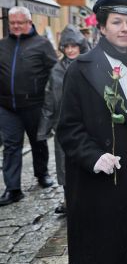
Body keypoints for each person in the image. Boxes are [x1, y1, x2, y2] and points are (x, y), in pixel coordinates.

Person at [56, 0, 127, 264]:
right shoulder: (81, 69)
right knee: (107, 252)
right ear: (102, 27)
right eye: (117, 22)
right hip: (103, 184)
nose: (125, 28)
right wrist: (93, 156)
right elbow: (68, 128)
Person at [0, 6, 57, 206]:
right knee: (11, 146)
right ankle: (13, 189)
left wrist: (52, 99)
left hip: (34, 104)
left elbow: (54, 71)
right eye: (12, 23)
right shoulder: (2, 45)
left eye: (19, 23)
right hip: (7, 105)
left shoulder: (42, 44)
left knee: (38, 141)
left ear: (29, 23)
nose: (15, 26)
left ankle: (42, 174)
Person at [37, 25, 87, 214]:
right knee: (64, 164)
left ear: (80, 46)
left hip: (86, 123)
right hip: (63, 125)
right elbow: (49, 100)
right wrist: (43, 129)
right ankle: (68, 200)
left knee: (85, 160)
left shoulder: (89, 65)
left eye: (74, 46)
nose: (71, 50)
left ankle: (87, 197)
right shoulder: (57, 70)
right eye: (67, 47)